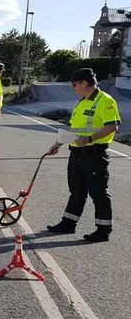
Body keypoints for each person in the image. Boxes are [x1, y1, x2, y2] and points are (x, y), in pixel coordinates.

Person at [44, 68, 120, 242]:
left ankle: (103, 230)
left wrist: (89, 139)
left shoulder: (105, 101)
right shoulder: (81, 102)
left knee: (98, 192)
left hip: (94, 154)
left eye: (74, 84)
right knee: (76, 190)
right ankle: (68, 224)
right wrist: (57, 144)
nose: (73, 88)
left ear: (85, 83)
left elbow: (112, 127)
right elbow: (71, 128)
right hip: (77, 153)